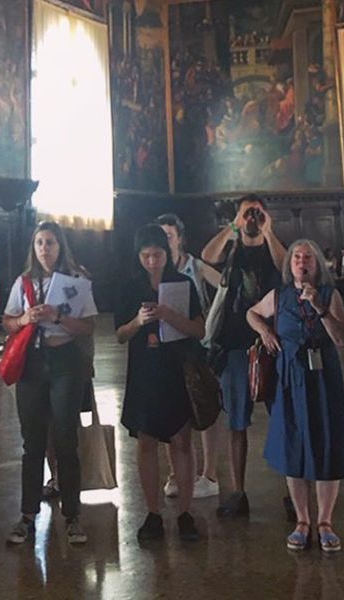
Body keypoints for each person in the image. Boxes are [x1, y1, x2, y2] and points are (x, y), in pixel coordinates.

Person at [247, 238, 344, 554]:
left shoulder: (330, 295)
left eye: (308, 257)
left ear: (317, 263)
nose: (301, 261)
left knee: (326, 443)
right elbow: (251, 313)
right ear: (289, 264)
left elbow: (342, 339)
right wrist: (264, 331)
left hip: (323, 379)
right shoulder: (279, 296)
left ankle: (325, 521)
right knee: (293, 444)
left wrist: (320, 307)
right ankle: (302, 520)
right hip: (290, 378)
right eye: (296, 257)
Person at [2, 220, 96, 547]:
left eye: (51, 243)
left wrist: (57, 317)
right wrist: (25, 319)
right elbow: (8, 320)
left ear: (61, 246)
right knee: (32, 441)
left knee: (66, 438)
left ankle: (72, 515)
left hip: (64, 362)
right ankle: (28, 514)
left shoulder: (77, 280)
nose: (45, 248)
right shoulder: (23, 282)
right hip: (31, 365)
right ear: (34, 247)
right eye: (40, 243)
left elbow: (87, 327)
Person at [116, 222, 206, 544]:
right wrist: (138, 322)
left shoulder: (183, 283)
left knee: (182, 441)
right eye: (146, 256)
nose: (152, 262)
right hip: (144, 371)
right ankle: (152, 512)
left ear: (167, 255)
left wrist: (170, 315)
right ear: (138, 256)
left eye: (157, 255)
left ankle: (185, 511)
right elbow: (119, 335)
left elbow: (199, 330)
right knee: (146, 441)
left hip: (176, 369)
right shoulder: (129, 287)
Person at [199, 194, 286, 517]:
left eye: (257, 212)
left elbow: (285, 266)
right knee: (237, 421)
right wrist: (232, 228)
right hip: (235, 344)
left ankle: (293, 490)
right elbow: (207, 256)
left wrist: (269, 230)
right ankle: (238, 491)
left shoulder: (272, 246)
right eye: (246, 213)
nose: (252, 218)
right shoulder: (232, 248)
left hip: (274, 343)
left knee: (283, 417)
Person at [157, 212, 222, 502]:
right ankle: (175, 472)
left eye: (169, 236)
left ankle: (209, 474)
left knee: (204, 406)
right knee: (172, 410)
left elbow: (224, 284)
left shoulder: (194, 266)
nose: (165, 241)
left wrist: (213, 317)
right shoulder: (155, 267)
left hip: (197, 343)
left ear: (180, 238)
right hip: (168, 345)